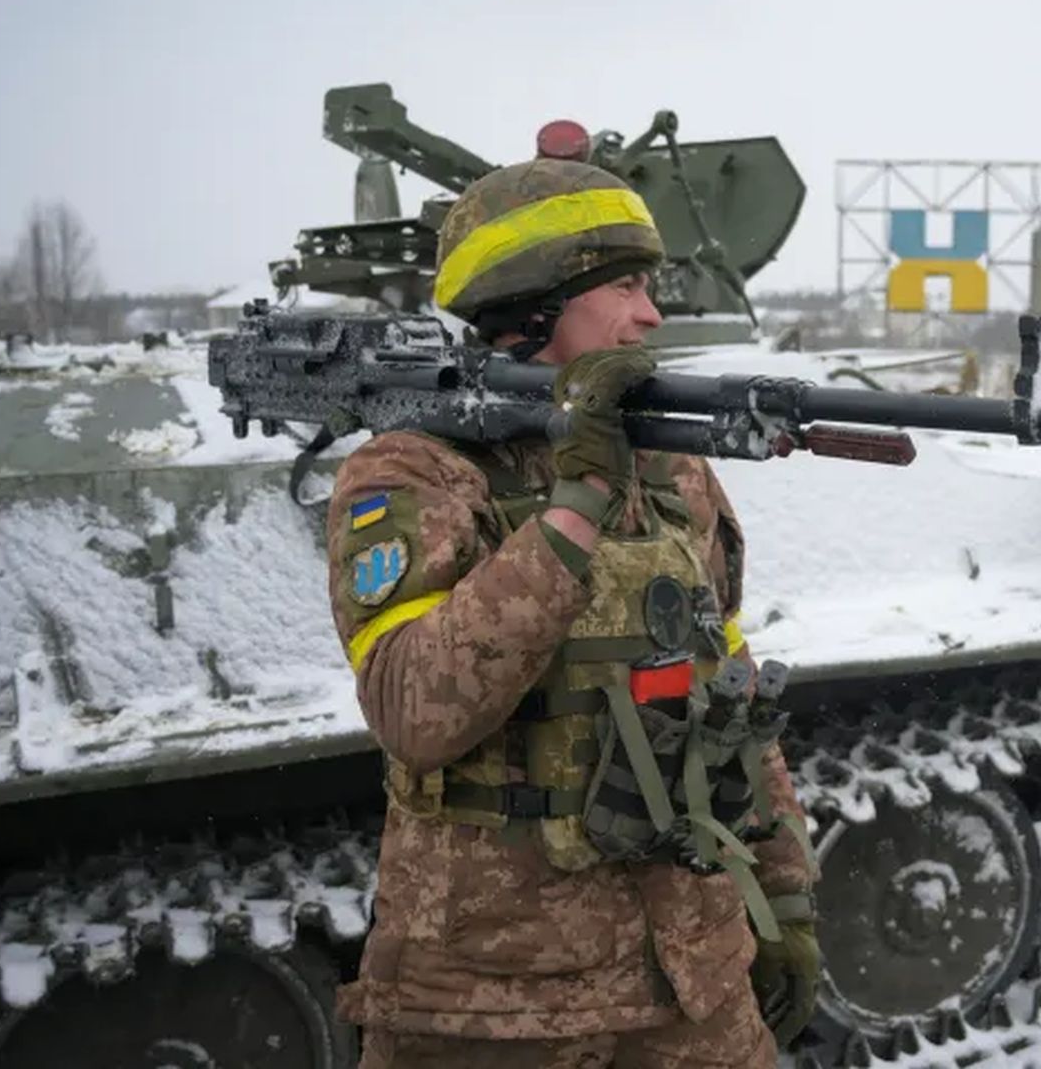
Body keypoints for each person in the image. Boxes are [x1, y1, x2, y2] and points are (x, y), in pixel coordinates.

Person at [325, 155, 818, 1069]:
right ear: (538, 303)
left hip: (691, 984)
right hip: (491, 1007)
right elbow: (415, 711)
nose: (651, 314)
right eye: (626, 286)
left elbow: (732, 691)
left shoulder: (672, 470)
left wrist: (782, 894)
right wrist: (577, 498)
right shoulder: (414, 471)